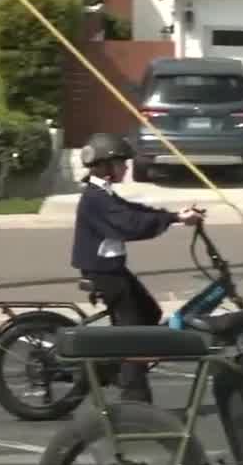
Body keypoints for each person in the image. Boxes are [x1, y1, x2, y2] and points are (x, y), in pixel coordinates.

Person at [70, 133, 204, 403]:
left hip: (111, 270)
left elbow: (134, 211)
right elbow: (129, 224)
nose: (127, 168)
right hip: (103, 273)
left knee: (150, 312)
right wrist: (174, 219)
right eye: (122, 163)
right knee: (136, 333)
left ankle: (108, 368)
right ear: (106, 167)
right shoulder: (96, 198)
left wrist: (173, 216)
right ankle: (134, 398)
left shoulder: (103, 193)